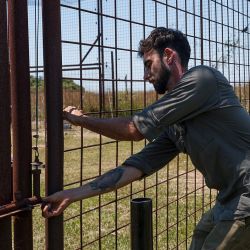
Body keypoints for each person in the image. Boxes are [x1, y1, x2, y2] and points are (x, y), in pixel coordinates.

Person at [42, 27, 250, 249]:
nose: (145, 75)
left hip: (245, 198)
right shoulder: (174, 124)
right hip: (229, 199)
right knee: (200, 237)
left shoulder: (203, 79)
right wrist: (72, 195)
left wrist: (80, 120)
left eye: (149, 64)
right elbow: (136, 167)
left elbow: (133, 129)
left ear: (169, 56)